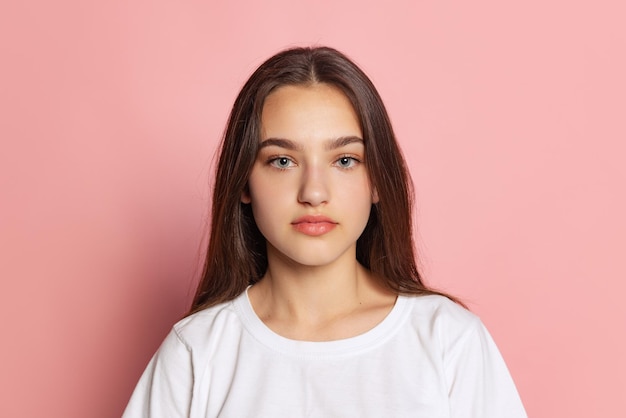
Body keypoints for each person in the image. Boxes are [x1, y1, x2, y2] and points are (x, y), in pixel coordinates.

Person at [123, 46, 527, 417]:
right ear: (244, 182)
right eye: (282, 161)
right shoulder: (197, 352)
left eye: (345, 160)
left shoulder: (448, 342)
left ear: (377, 181)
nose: (314, 192)